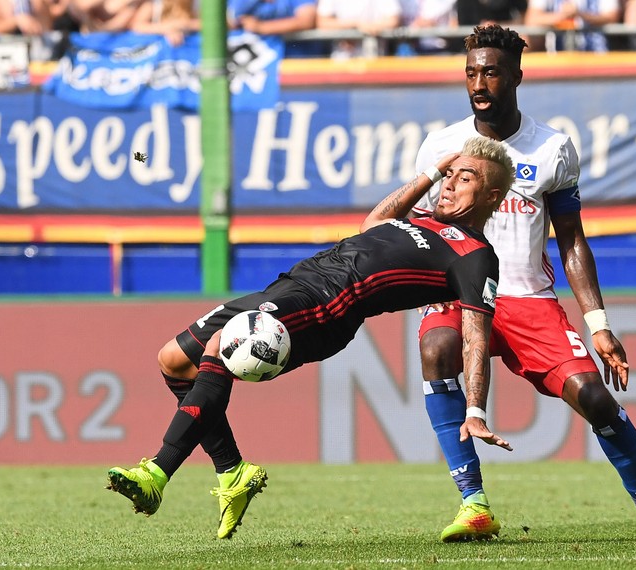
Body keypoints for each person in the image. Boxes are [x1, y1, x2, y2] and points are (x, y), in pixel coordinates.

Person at [105, 137, 516, 538]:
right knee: (173, 361)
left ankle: (157, 473)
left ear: (492, 195)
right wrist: (428, 173)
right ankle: (232, 471)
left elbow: (475, 337)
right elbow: (371, 223)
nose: (450, 183)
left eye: (464, 179)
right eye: (450, 175)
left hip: (327, 308)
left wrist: (475, 410)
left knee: (221, 347)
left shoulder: (476, 257)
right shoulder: (420, 221)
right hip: (291, 286)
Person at [410, 24, 636, 542]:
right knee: (438, 346)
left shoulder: (552, 148)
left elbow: (572, 242)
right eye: (471, 73)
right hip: (461, 291)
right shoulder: (441, 147)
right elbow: (420, 230)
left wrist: (598, 325)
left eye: (491, 73)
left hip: (527, 298)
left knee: (593, 396)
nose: (479, 84)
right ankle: (474, 505)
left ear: (517, 77)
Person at [524, 0, 622, 53]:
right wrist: (562, 15)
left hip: (596, 58)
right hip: (557, 59)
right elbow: (532, 18)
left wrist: (580, 14)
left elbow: (612, 16)